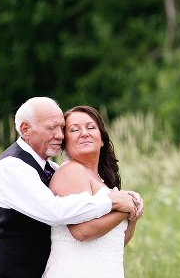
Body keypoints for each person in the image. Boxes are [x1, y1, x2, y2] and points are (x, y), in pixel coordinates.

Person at [0, 97, 142, 278]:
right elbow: (54, 212)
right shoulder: (11, 167)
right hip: (6, 272)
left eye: (61, 128)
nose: (60, 135)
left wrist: (128, 208)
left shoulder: (51, 169)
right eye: (51, 128)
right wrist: (114, 201)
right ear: (25, 129)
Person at [43, 105, 141, 277]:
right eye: (74, 130)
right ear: (65, 143)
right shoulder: (70, 171)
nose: (84, 133)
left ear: (102, 139)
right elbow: (82, 231)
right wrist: (126, 208)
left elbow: (117, 241)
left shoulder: (102, 181)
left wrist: (133, 216)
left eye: (91, 127)